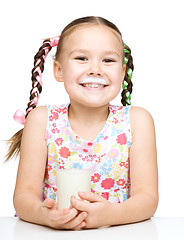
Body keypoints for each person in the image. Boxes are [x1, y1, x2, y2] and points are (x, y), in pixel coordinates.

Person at [6, 16, 158, 230]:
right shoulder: (41, 120)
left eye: (108, 60)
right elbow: (24, 196)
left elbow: (147, 199)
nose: (95, 69)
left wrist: (111, 215)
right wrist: (45, 216)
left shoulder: (137, 121)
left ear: (122, 73)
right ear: (58, 70)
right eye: (81, 58)